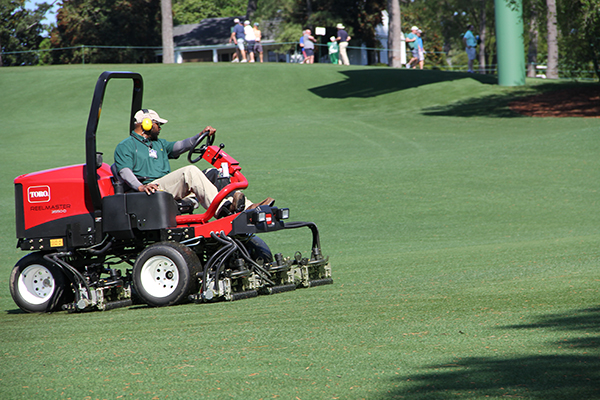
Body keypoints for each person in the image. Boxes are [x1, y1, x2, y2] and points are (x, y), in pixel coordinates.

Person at [114, 109, 274, 218]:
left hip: (166, 188)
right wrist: (140, 186)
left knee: (213, 172)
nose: (160, 128)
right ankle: (224, 211)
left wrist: (200, 135)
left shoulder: (158, 144)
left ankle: (248, 209)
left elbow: (180, 146)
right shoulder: (126, 146)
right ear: (147, 123)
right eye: (158, 124)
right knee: (190, 172)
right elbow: (124, 171)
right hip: (149, 191)